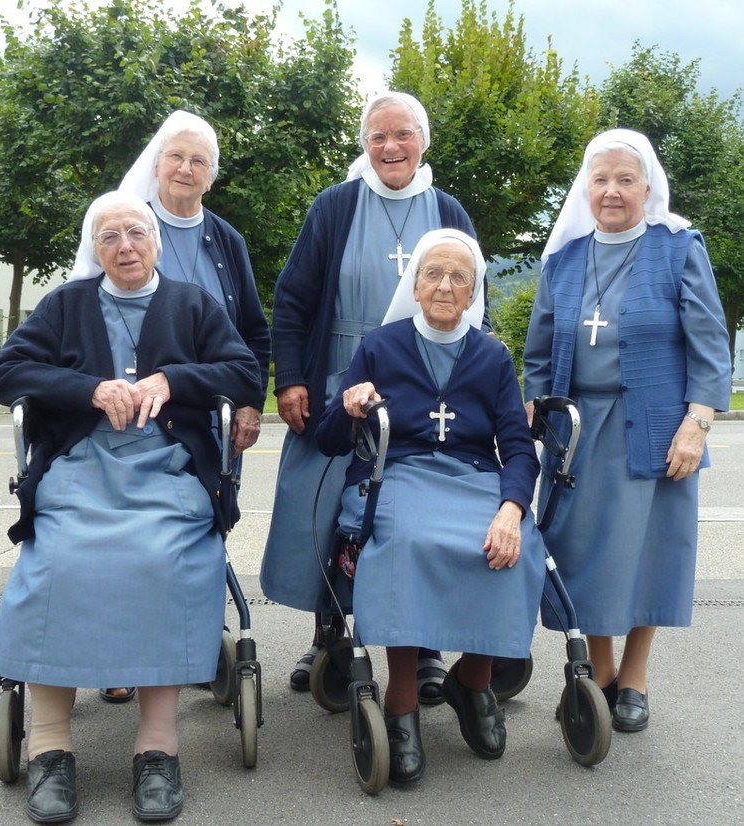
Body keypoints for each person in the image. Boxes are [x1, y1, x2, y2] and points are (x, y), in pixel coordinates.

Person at [0, 192, 261, 823]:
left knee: (159, 561)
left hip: (168, 469)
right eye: (108, 236)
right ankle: (52, 746)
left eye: (135, 232)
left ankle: (157, 747)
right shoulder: (66, 305)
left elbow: (244, 373)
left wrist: (175, 380)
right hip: (82, 468)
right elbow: (7, 373)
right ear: (96, 247)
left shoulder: (194, 304)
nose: (125, 247)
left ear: (157, 241)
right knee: (59, 558)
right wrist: (88, 389)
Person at [259, 91, 490, 700]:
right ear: (364, 145)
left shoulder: (448, 210)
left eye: (403, 134)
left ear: (424, 140)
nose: (390, 147)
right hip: (338, 374)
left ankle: (425, 646)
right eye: (377, 136)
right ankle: (328, 633)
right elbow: (294, 299)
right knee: (330, 508)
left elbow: (476, 303)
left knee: (413, 510)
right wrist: (292, 380)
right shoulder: (335, 206)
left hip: (422, 383)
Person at [315, 229, 545, 784]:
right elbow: (328, 441)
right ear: (414, 286)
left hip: (472, 477)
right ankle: (400, 702)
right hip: (398, 473)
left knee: (510, 545)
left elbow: (516, 445)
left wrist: (512, 508)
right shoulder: (380, 346)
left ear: (473, 294)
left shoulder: (491, 357)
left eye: (459, 278)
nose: (445, 285)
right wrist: (348, 408)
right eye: (433, 274)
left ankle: (473, 681)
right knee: (406, 542)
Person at [523, 128, 731, 733]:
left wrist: (697, 424)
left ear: (647, 187)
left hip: (656, 429)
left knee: (646, 557)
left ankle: (634, 677)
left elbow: (710, 347)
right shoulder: (561, 261)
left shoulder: (678, 248)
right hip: (579, 433)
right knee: (582, 556)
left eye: (625, 180)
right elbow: (539, 352)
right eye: (600, 180)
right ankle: (600, 675)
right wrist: (536, 404)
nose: (612, 192)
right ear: (585, 188)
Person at [74, 109, 271, 704]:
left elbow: (252, 336)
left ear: (211, 176)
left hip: (200, 415)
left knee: (194, 522)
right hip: (122, 419)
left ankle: (189, 630)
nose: (186, 169)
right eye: (175, 156)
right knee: (116, 530)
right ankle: (119, 651)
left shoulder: (225, 239)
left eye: (200, 161)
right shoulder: (123, 226)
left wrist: (248, 404)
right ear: (155, 163)